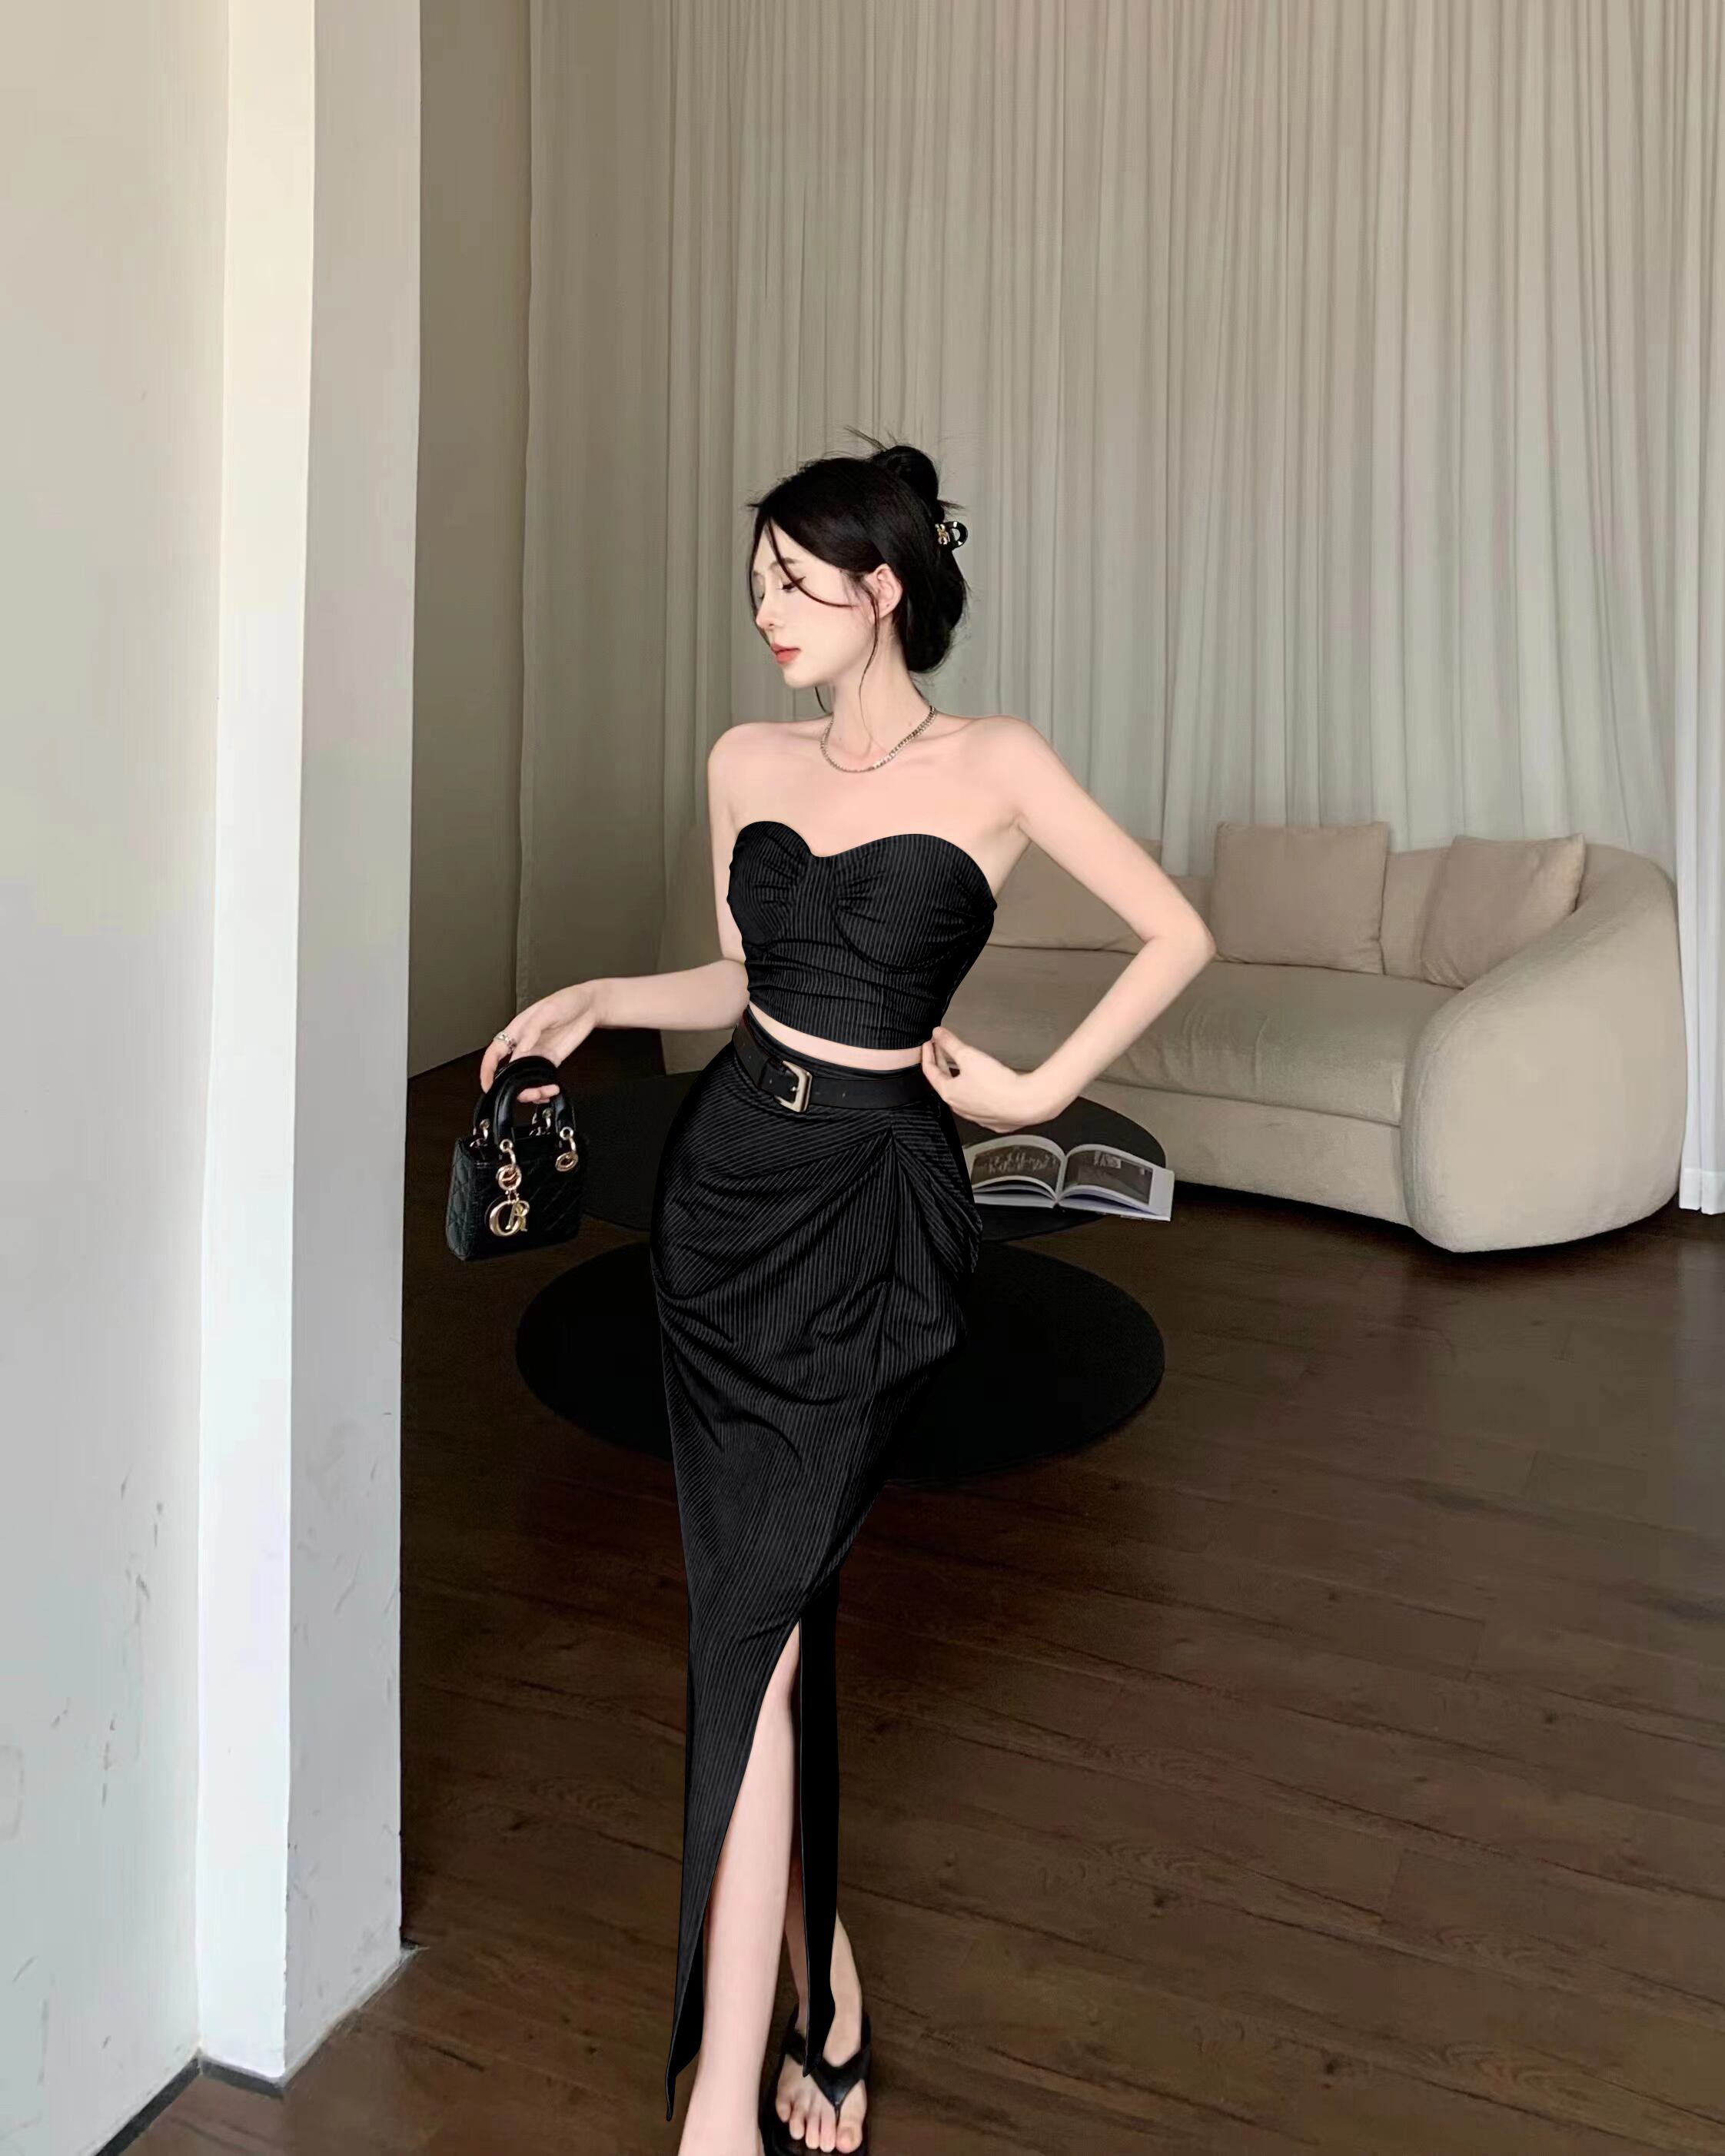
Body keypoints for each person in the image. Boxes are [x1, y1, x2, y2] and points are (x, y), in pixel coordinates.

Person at [480, 434, 1214, 2156]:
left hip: (877, 1216)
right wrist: (601, 992)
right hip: (725, 1198)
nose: (768, 612)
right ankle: (826, 1998)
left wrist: (1033, 1090)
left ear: (884, 589)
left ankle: (717, 2107)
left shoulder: (997, 762)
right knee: (766, 1615)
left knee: (752, 1619)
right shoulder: (744, 757)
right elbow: (746, 978)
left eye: (797, 583)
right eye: (756, 584)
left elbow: (1176, 930)